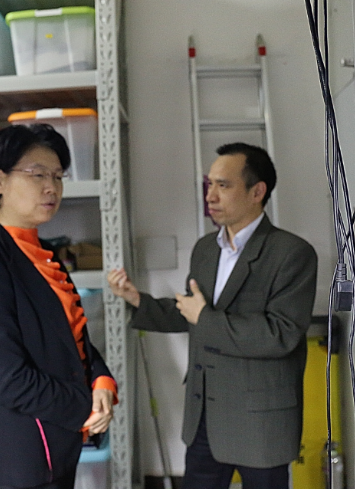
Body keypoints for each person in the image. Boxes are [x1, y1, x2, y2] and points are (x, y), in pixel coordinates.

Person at [108, 142, 317, 489]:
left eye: (223, 185)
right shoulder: (206, 249)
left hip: (260, 421)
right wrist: (137, 300)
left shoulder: (292, 253)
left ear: (257, 192)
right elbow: (190, 313)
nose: (211, 195)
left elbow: (280, 335)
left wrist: (204, 317)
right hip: (206, 414)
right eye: (209, 184)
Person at [0, 124, 117, 489]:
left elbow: (71, 338)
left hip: (58, 443)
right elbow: (10, 379)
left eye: (57, 176)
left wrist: (101, 379)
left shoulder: (44, 253)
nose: (52, 187)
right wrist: (85, 406)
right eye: (37, 174)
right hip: (19, 458)